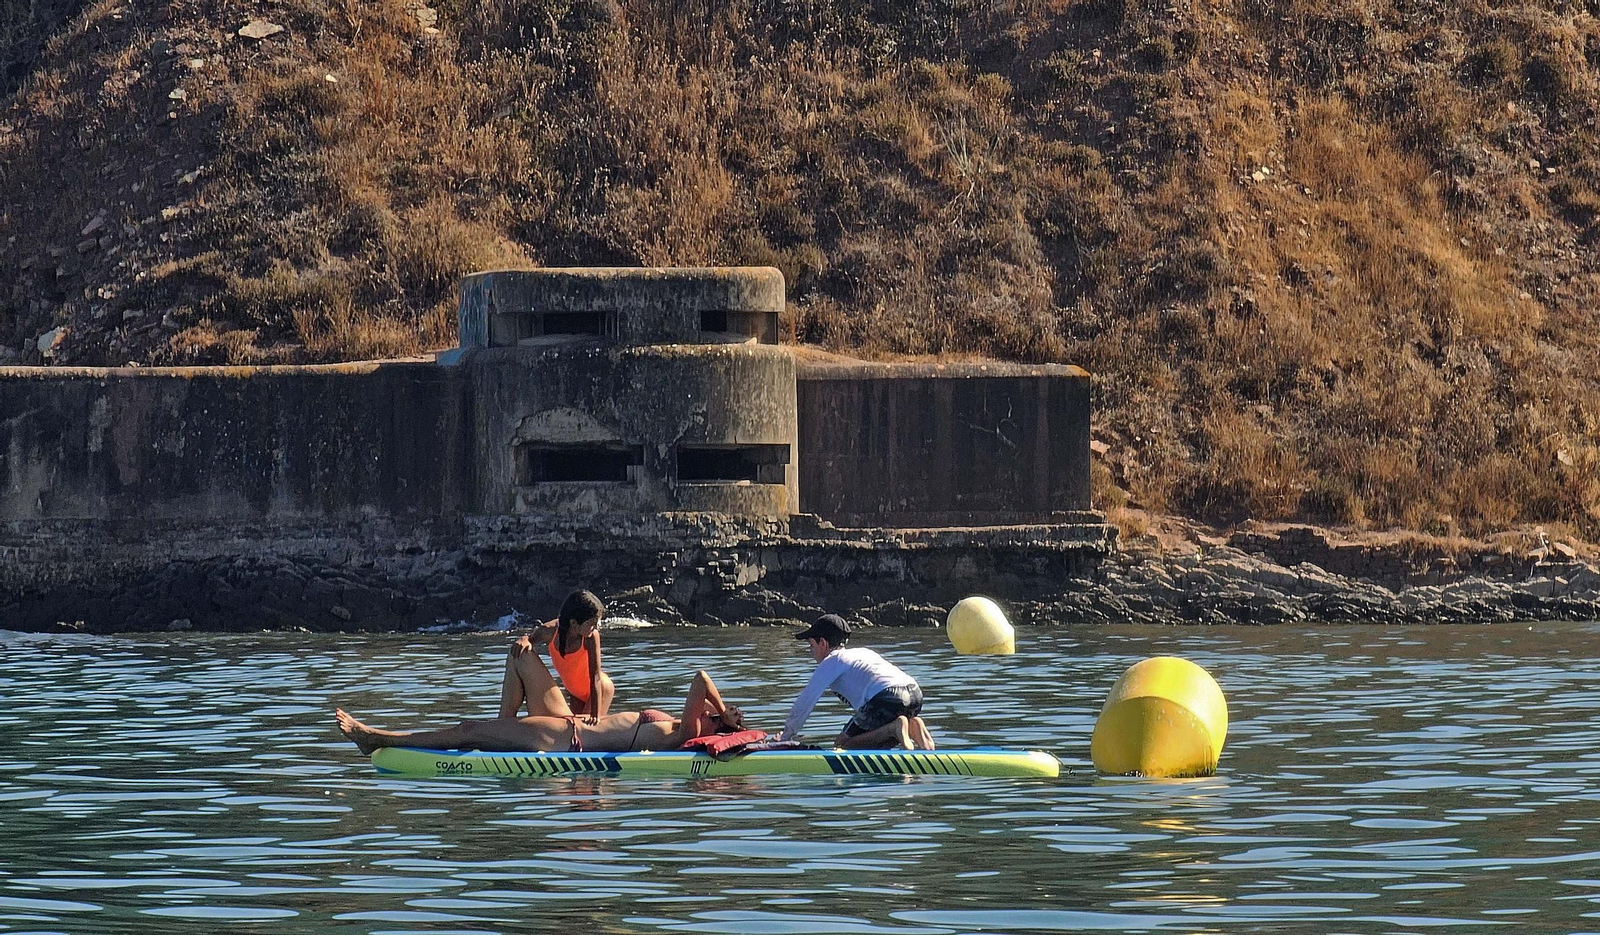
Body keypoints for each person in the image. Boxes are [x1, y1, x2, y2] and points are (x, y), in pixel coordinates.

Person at [336, 668, 745, 755]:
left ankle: (376, 738)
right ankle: (381, 738)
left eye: (712, 716)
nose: (706, 712)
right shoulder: (684, 725)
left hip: (565, 738)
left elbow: (699, 678)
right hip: (569, 727)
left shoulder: (689, 730)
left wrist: (723, 715)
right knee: (520, 659)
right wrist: (723, 715)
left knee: (470, 729)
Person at [779, 614, 935, 750]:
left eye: (811, 645)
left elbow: (805, 703)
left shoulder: (831, 661)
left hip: (888, 697)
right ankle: (915, 729)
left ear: (823, 643)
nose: (810, 651)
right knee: (876, 728)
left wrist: (785, 738)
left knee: (843, 745)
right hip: (915, 694)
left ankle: (894, 728)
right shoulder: (863, 652)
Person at [499, 589, 615, 722]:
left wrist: (595, 715)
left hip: (600, 688)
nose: (596, 627)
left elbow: (595, 677)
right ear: (573, 623)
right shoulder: (550, 631)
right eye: (592, 624)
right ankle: (505, 720)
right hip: (575, 692)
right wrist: (523, 639)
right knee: (517, 653)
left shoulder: (591, 637)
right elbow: (530, 640)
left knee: (585, 729)